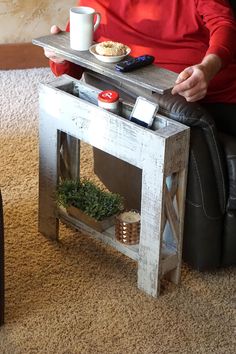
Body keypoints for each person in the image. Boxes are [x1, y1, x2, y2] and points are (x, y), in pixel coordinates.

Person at [44, 0, 236, 208]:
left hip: (217, 93)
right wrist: (60, 57)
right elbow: (72, 66)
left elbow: (223, 23)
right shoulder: (96, 5)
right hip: (169, 105)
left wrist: (208, 68)